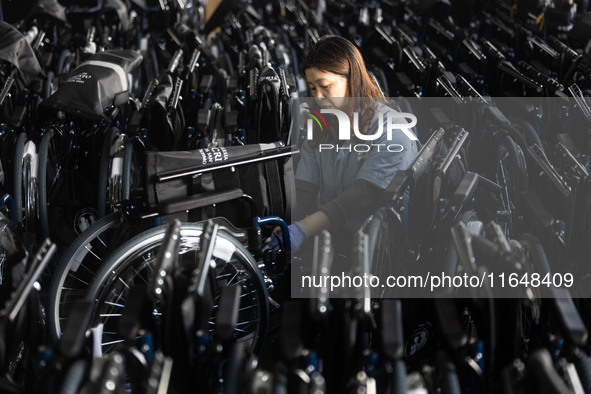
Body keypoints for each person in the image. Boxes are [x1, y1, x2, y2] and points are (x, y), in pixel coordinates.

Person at [269, 35, 419, 253]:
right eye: (312, 88)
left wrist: (301, 230)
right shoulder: (321, 125)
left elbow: (362, 196)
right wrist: (282, 226)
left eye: (325, 86)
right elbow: (304, 189)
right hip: (331, 237)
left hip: (373, 251)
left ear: (353, 80)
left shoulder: (393, 131)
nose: (318, 97)